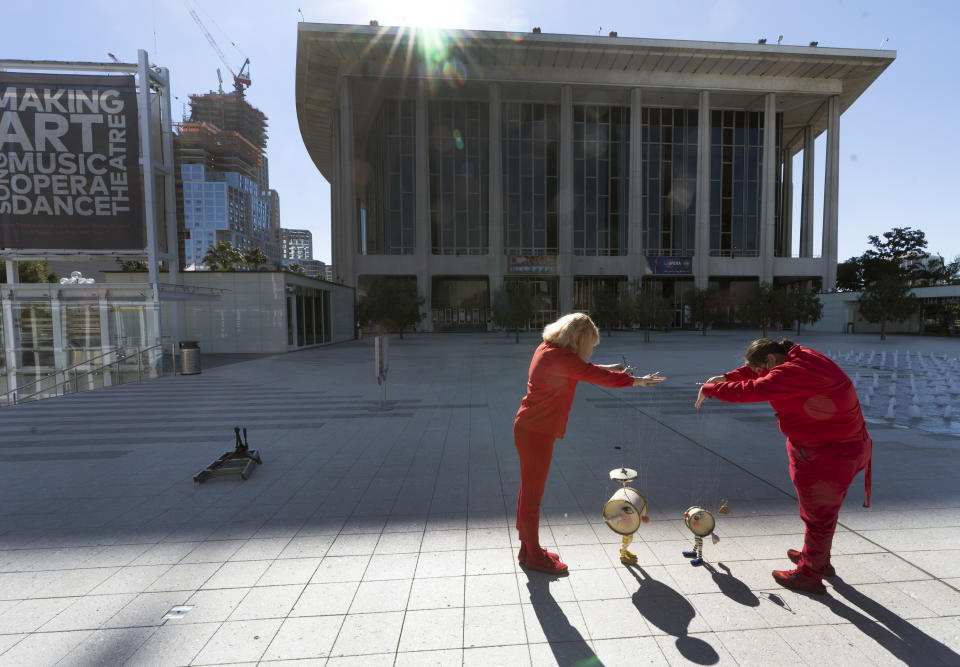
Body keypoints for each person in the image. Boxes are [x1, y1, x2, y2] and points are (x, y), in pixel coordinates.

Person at [695, 338, 872, 594]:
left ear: (770, 360)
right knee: (821, 514)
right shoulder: (800, 356)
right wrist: (724, 377)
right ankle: (819, 559)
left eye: (759, 368)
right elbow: (754, 374)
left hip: (829, 454)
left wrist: (711, 389)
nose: (757, 372)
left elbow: (752, 389)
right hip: (841, 447)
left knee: (819, 516)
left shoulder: (789, 372)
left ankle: (810, 575)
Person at [514, 312, 666, 575]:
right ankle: (534, 555)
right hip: (536, 433)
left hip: (531, 428)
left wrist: (610, 368)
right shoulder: (558, 357)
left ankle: (528, 548)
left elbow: (579, 369)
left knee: (528, 493)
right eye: (590, 345)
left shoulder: (549, 349)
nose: (590, 351)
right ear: (578, 339)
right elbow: (586, 372)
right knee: (531, 497)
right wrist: (636, 381)